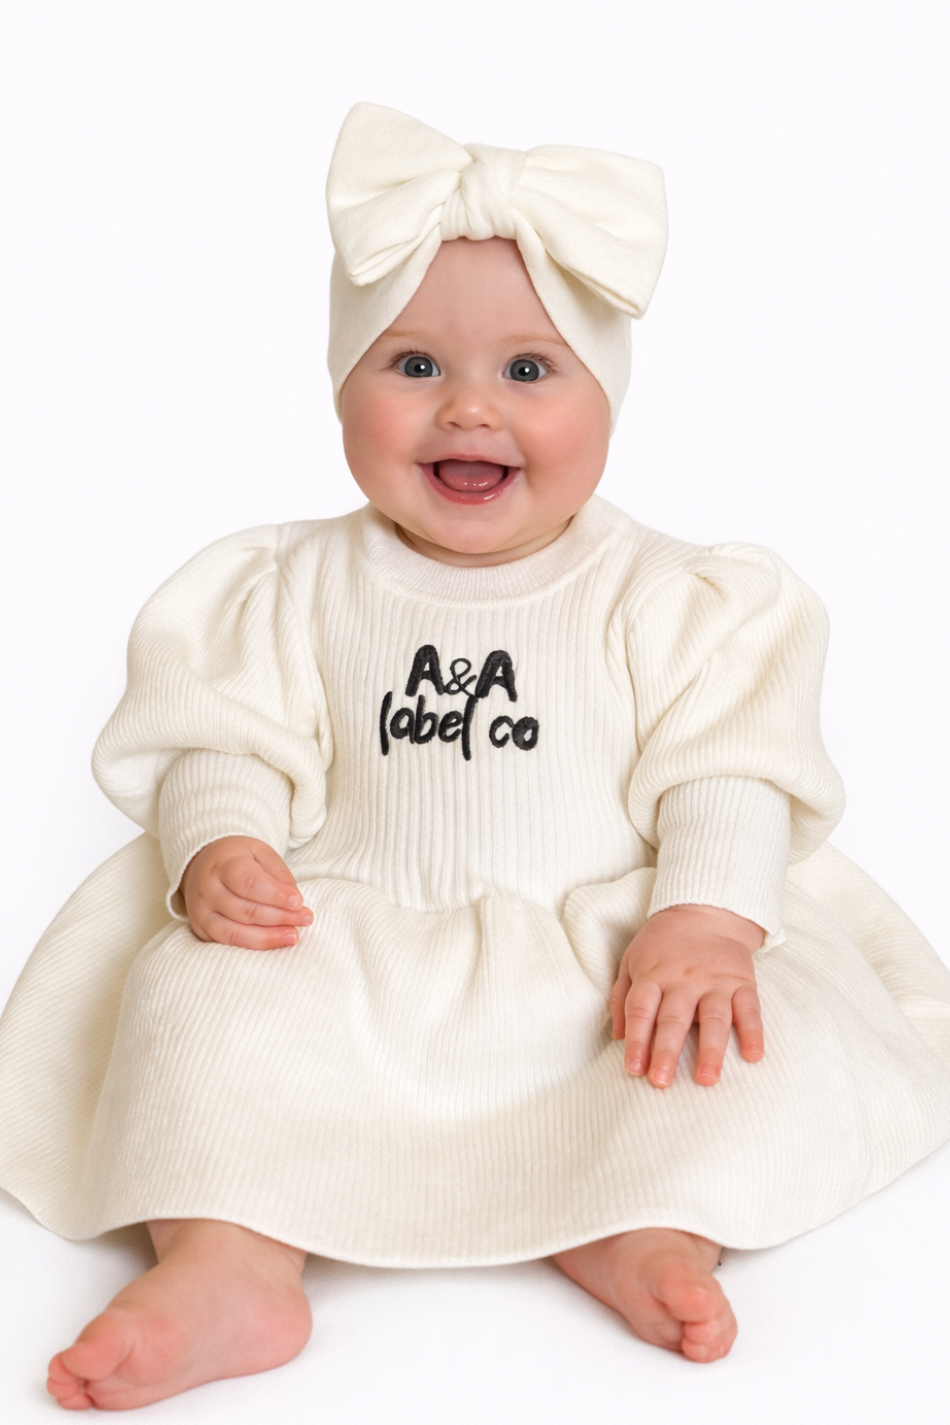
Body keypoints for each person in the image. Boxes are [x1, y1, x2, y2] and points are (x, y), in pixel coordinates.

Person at [2, 103, 949, 1412]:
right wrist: (223, 840)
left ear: (607, 395)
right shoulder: (287, 583)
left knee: (713, 1037)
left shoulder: (675, 596)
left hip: (607, 958)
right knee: (200, 1000)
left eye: (529, 369)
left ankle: (641, 1216)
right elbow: (227, 733)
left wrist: (703, 921)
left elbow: (726, 771)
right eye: (410, 364)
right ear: (339, 386)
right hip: (342, 950)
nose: (467, 406)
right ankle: (230, 1257)